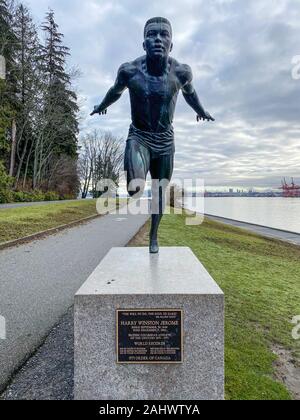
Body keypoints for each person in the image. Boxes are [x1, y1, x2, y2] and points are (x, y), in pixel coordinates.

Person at [91, 17, 214, 253]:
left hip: (166, 141)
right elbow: (115, 91)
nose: (158, 39)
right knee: (135, 187)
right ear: (143, 43)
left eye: (163, 34)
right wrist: (101, 105)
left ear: (171, 44)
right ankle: (135, 184)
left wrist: (202, 111)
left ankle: (153, 236)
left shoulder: (181, 72)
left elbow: (190, 94)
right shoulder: (129, 71)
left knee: (160, 192)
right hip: (139, 136)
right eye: (151, 34)